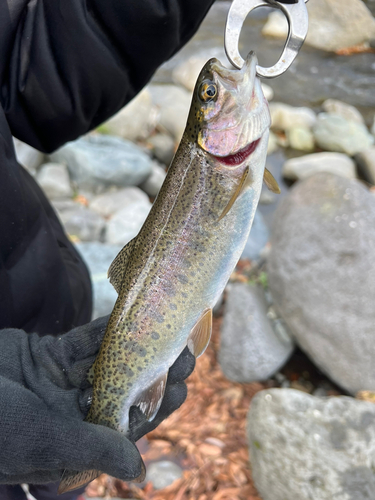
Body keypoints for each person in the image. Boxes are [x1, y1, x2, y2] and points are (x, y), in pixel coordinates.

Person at [0, 1, 297, 499]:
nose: (217, 90)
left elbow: (36, 67)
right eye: (210, 95)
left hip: (51, 322)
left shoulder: (228, 162)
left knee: (69, 456)